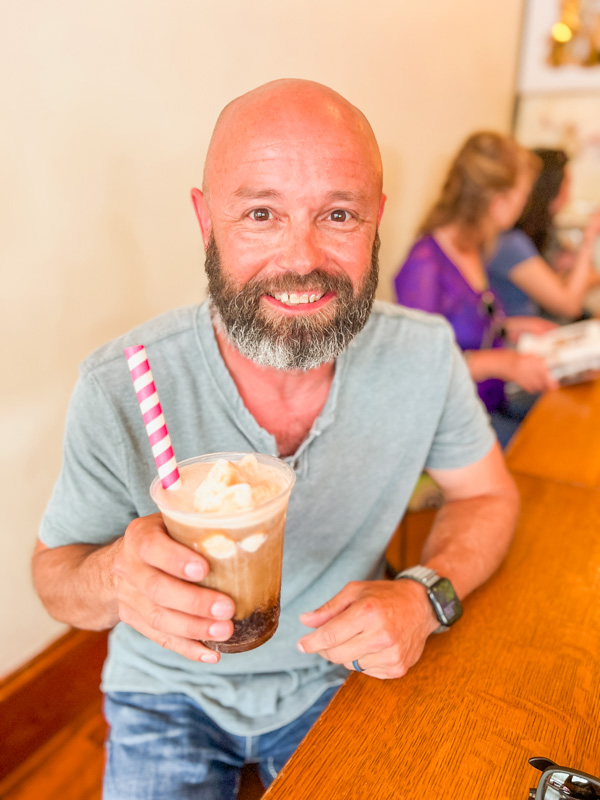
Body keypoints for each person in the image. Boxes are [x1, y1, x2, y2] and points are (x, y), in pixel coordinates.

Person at [33, 81, 519, 800]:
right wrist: (114, 578)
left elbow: (487, 495)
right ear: (206, 220)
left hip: (334, 674)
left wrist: (425, 596)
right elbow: (55, 576)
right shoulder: (120, 384)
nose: (302, 258)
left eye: (339, 214)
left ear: (377, 220)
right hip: (167, 689)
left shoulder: (424, 356)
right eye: (261, 213)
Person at [394, 131, 559, 449]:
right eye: (523, 193)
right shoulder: (425, 266)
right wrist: (504, 363)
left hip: (489, 403)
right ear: (498, 200)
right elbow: (419, 365)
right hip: (453, 421)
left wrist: (515, 327)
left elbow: (468, 324)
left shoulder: (472, 248)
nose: (525, 203)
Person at [487, 147, 600, 320]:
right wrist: (590, 235)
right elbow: (569, 305)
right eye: (565, 187)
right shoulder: (509, 243)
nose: (568, 197)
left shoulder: (539, 235)